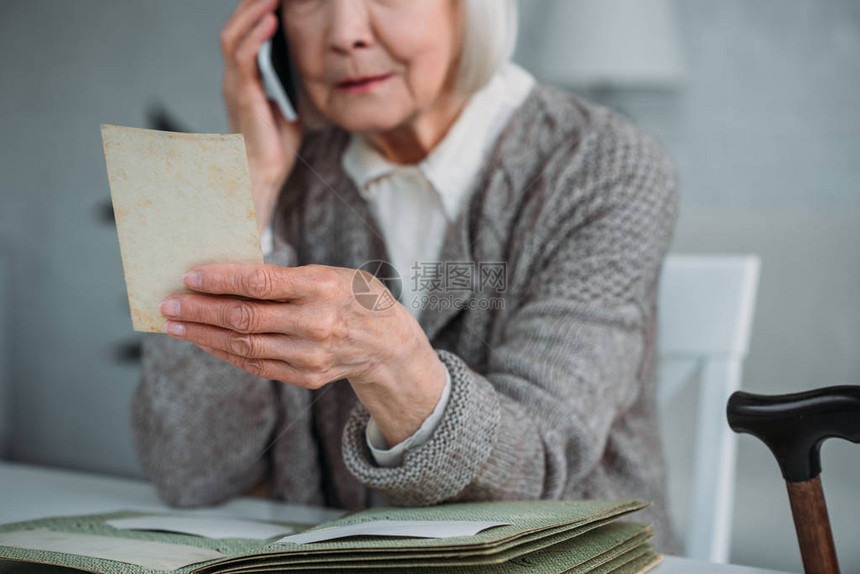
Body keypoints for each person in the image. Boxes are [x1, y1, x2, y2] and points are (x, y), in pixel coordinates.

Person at [131, 0, 682, 555]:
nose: (346, 34)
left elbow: (536, 465)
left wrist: (389, 363)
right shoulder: (287, 169)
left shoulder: (603, 163)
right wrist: (243, 183)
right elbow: (188, 472)